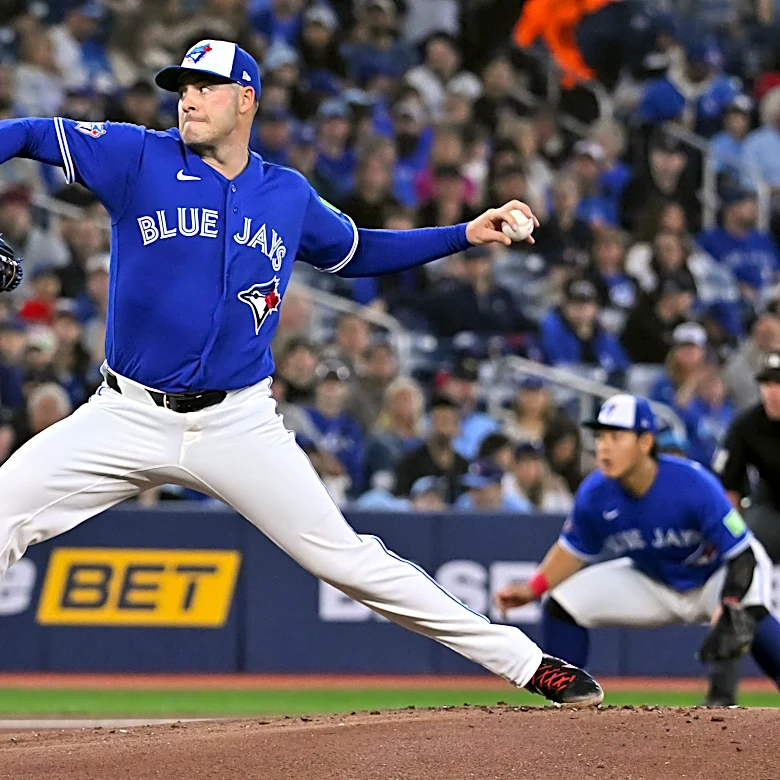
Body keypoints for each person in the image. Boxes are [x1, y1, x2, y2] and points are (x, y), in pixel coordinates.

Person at [0, 40, 601, 705]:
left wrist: (464, 233)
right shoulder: (136, 155)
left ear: (247, 99)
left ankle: (529, 665)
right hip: (126, 413)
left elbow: (360, 251)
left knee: (348, 559)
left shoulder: (285, 193)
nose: (189, 99)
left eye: (206, 86)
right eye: (183, 87)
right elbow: (25, 133)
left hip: (237, 421)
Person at [495, 394, 780, 701]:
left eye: (616, 436)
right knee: (562, 604)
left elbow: (741, 554)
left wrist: (730, 601)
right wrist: (533, 588)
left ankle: (722, 703)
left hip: (716, 576)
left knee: (745, 613)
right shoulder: (596, 493)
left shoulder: (692, 483)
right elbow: (573, 550)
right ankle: (567, 698)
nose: (604, 446)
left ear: (645, 442)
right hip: (653, 579)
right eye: (601, 436)